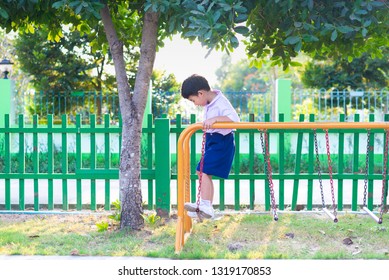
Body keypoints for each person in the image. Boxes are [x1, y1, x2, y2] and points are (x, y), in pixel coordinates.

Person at [181, 74, 240, 219]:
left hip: (222, 141)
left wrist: (215, 119)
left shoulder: (221, 102)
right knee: (202, 171)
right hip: (213, 140)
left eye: (193, 100)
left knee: (202, 170)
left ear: (201, 93)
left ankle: (206, 205)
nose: (195, 104)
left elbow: (235, 120)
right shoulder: (210, 103)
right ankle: (205, 205)